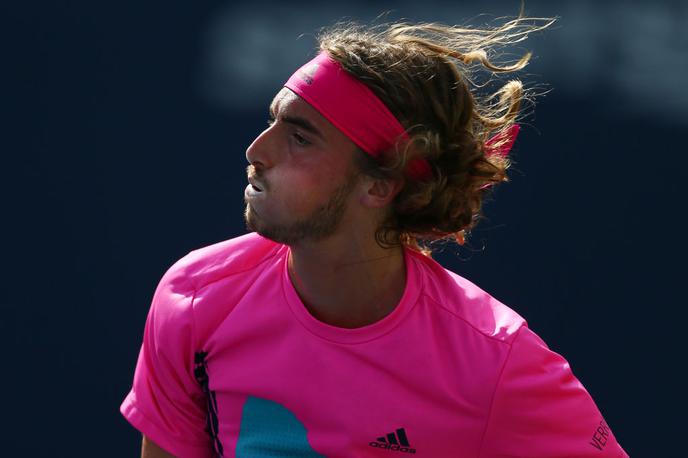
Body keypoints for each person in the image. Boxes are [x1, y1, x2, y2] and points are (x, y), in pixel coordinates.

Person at [120, 14, 628, 458]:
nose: (257, 150)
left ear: (379, 184)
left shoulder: (498, 363)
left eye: (300, 138)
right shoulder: (193, 298)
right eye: (272, 122)